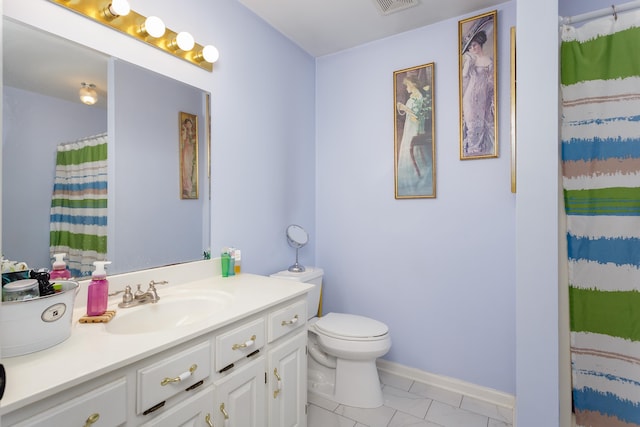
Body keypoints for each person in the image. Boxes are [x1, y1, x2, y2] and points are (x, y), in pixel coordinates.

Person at [396, 74, 432, 196]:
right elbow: (407, 114)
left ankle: (416, 174)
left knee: (415, 151)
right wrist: (402, 108)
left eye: (407, 86)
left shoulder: (419, 97)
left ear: (412, 85)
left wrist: (405, 108)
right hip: (409, 127)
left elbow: (416, 117)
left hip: (415, 128)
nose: (407, 89)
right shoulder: (412, 97)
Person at [461, 29, 495, 157]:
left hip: (482, 95)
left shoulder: (489, 60)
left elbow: (491, 81)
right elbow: (464, 75)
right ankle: (471, 149)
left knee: (480, 121)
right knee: (470, 120)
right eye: (470, 46)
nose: (472, 48)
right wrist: (469, 62)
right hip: (469, 95)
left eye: (474, 45)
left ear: (480, 43)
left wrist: (490, 98)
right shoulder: (470, 60)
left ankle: (478, 149)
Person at [181, 117, 196, 198]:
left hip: (191, 153)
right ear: (185, 125)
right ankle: (186, 189)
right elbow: (183, 139)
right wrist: (185, 130)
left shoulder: (194, 134)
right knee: (186, 169)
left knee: (190, 169)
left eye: (189, 123)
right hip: (186, 152)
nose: (188, 124)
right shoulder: (185, 132)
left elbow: (194, 143)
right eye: (187, 123)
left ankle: (189, 189)